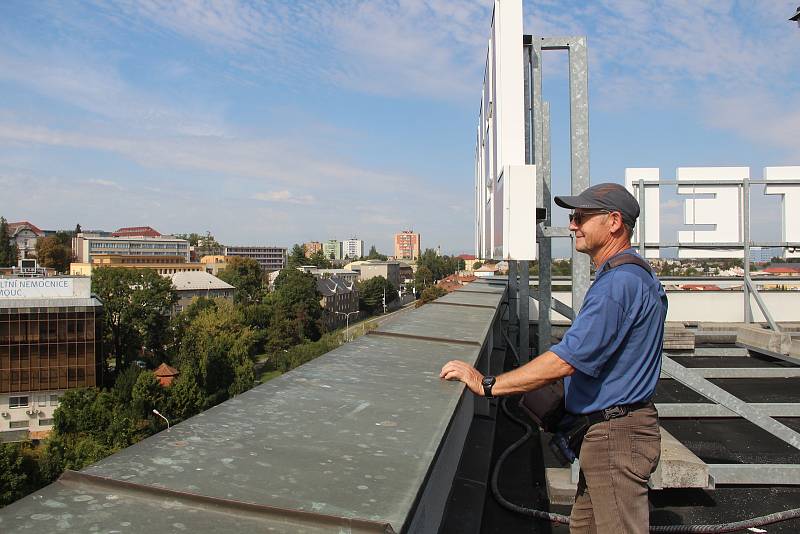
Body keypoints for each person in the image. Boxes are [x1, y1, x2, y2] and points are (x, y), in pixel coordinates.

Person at [440, 182, 668, 534]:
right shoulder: (632, 275)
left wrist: (488, 385)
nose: (573, 225)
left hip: (615, 437)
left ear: (614, 222)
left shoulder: (618, 284)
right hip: (611, 433)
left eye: (580, 216)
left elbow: (567, 360)